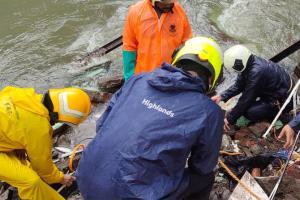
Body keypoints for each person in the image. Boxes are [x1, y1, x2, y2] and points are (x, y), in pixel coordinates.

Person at [76, 36, 223, 200]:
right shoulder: (209, 111)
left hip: (85, 179)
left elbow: (101, 125)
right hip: (131, 196)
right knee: (205, 178)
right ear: (213, 78)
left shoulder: (137, 79)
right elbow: (203, 166)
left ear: (177, 58)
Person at [0, 86, 91, 200]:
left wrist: (19, 144)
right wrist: (61, 178)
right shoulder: (39, 128)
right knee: (31, 182)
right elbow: (44, 169)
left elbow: (14, 124)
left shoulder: (26, 96)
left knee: (24, 163)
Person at [211, 45, 293, 132]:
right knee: (241, 108)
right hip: (273, 90)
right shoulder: (249, 63)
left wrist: (229, 119)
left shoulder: (256, 72)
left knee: (250, 112)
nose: (235, 71)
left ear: (239, 64)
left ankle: (282, 116)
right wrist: (221, 96)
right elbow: (238, 86)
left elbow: (246, 99)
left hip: (284, 100)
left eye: (235, 69)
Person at [122, 0, 192, 80]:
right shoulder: (136, 12)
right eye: (164, 3)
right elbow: (129, 47)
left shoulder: (179, 13)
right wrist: (129, 78)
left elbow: (187, 44)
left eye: (171, 2)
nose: (169, 5)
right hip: (143, 77)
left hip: (171, 76)